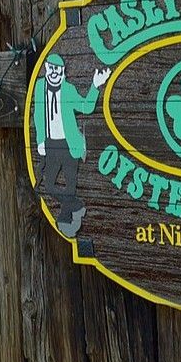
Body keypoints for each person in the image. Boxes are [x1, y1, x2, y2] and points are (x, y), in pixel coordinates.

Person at [32, 54, 110, 237]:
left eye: (57, 70)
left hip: (69, 145)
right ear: (46, 68)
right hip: (51, 145)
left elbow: (86, 107)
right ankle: (76, 206)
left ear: (63, 72)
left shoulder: (68, 90)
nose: (53, 73)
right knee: (49, 187)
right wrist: (40, 140)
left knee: (70, 187)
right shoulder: (39, 86)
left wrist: (95, 86)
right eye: (51, 68)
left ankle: (68, 215)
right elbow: (37, 114)